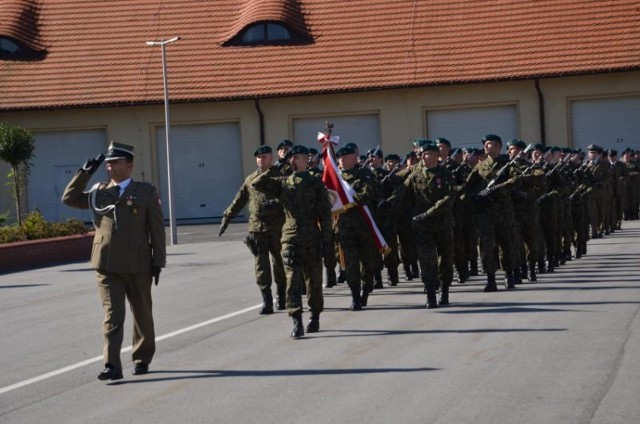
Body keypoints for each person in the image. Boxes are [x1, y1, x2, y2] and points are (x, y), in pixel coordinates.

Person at [62, 141, 166, 381]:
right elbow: (69, 198)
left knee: (141, 313)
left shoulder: (145, 191)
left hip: (138, 264)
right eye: (107, 163)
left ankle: (141, 358)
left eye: (114, 162)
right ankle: (112, 365)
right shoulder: (99, 191)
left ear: (129, 165)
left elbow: (156, 229)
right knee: (112, 315)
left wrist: (157, 261)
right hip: (106, 264)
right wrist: (84, 172)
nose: (109, 167)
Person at [251, 145, 333, 338]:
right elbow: (257, 183)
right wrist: (278, 165)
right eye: (292, 158)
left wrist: (327, 240)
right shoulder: (283, 183)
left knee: (313, 281)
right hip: (290, 238)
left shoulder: (316, 184)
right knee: (292, 281)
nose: (295, 161)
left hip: (312, 237)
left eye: (299, 158)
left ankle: (315, 316)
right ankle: (296, 319)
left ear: (307, 160)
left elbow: (325, 215)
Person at [219, 145, 287, 314]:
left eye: (264, 157)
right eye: (258, 157)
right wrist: (227, 217)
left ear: (271, 158)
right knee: (261, 265)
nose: (261, 159)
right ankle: (266, 301)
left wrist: (277, 204)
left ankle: (282, 297)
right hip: (257, 229)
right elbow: (239, 200)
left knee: (279, 263)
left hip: (278, 227)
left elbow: (290, 198)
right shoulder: (250, 180)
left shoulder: (280, 176)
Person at [400, 142, 454, 307]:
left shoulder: (445, 174)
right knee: (426, 260)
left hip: (443, 223)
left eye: (427, 154)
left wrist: (429, 212)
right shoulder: (414, 175)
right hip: (422, 227)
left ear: (437, 156)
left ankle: (444, 292)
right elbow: (404, 197)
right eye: (422, 154)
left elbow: (449, 198)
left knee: (445, 259)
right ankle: (430, 294)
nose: (423, 157)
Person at [465, 134, 520, 291]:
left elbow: (517, 179)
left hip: (504, 212)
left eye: (491, 144)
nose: (487, 147)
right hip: (486, 214)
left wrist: (498, 187)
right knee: (487, 246)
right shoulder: (480, 167)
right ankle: (491, 279)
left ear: (498, 146)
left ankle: (509, 275)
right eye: (486, 144)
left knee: (506, 244)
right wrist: (475, 198)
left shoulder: (508, 164)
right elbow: (468, 187)